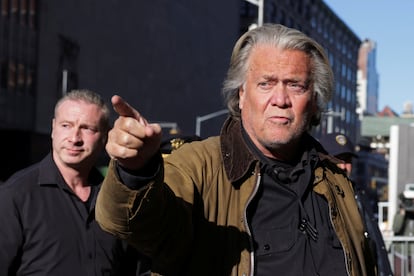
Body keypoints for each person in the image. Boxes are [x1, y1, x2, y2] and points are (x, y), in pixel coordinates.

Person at [95, 24, 377, 275]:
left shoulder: (335, 182)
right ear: (241, 94)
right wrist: (137, 172)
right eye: (265, 84)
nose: (280, 99)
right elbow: (136, 224)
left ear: (314, 100)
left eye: (295, 85)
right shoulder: (197, 166)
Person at [0, 89, 150, 275]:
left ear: (104, 136)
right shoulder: (15, 196)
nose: (74, 138)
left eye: (87, 128)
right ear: (53, 128)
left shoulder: (116, 200)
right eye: (66, 125)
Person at [320, 132, 393, 276]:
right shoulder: (317, 197)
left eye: (347, 160)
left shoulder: (359, 194)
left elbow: (374, 242)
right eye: (337, 160)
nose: (343, 166)